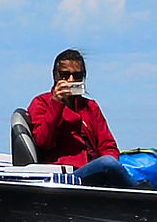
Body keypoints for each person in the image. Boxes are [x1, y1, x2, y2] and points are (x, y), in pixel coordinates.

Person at [26, 49, 136, 187]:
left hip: (92, 169)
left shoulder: (90, 107)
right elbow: (43, 142)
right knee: (108, 163)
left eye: (77, 76)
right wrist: (57, 103)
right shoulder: (41, 103)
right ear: (55, 76)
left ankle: (140, 191)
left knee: (111, 162)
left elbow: (108, 145)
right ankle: (142, 193)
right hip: (63, 174)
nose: (71, 80)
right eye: (65, 75)